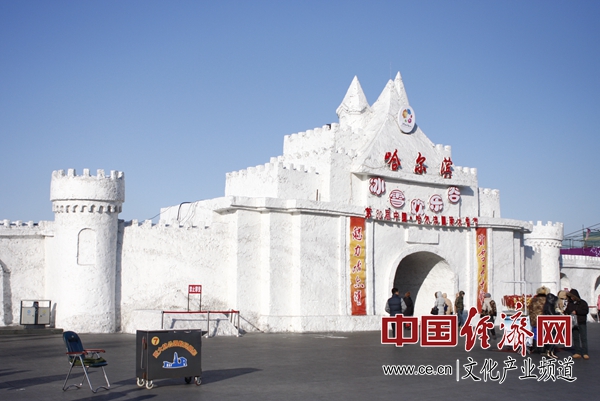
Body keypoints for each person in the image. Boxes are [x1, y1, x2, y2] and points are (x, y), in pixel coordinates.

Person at [565, 289, 589, 359]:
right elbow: (567, 311)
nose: (571, 298)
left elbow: (585, 311)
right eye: (570, 297)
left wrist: (577, 312)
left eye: (572, 296)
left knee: (583, 338)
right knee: (575, 338)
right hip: (573, 323)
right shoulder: (570, 303)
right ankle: (577, 352)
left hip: (581, 322)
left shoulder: (583, 303)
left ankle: (585, 353)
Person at [528, 286, 549, 353]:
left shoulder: (534, 300)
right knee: (544, 333)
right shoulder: (547, 300)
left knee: (535, 333)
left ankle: (535, 347)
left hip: (535, 319)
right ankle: (542, 348)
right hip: (544, 319)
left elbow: (530, 309)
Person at [542, 292, 561, 359]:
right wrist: (558, 314)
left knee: (553, 337)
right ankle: (549, 351)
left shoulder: (548, 305)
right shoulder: (548, 306)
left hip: (550, 323)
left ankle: (551, 351)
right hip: (550, 323)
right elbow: (552, 315)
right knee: (553, 337)